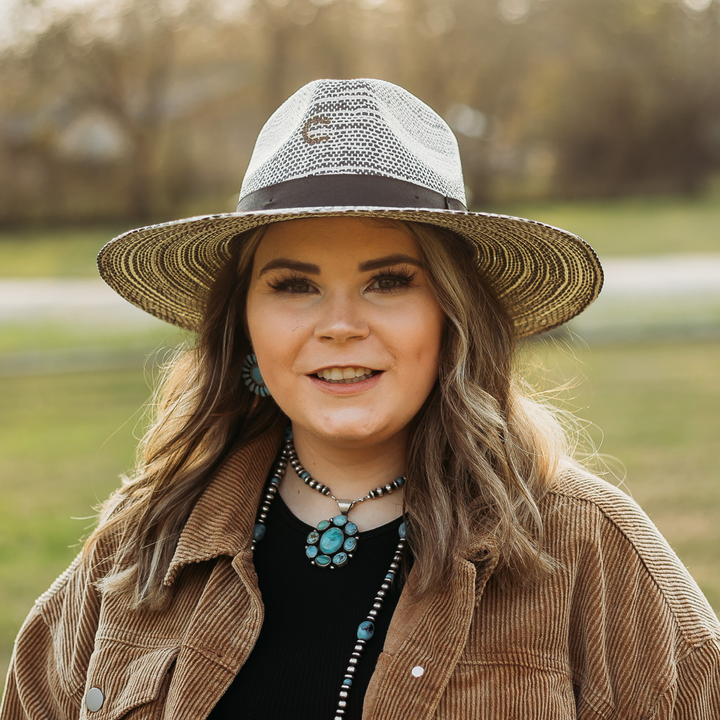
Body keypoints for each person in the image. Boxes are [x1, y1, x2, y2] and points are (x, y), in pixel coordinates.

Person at [2, 78, 719, 720]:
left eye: (390, 281)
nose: (340, 326)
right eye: (294, 285)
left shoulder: (589, 548)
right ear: (243, 328)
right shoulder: (140, 549)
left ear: (452, 316)